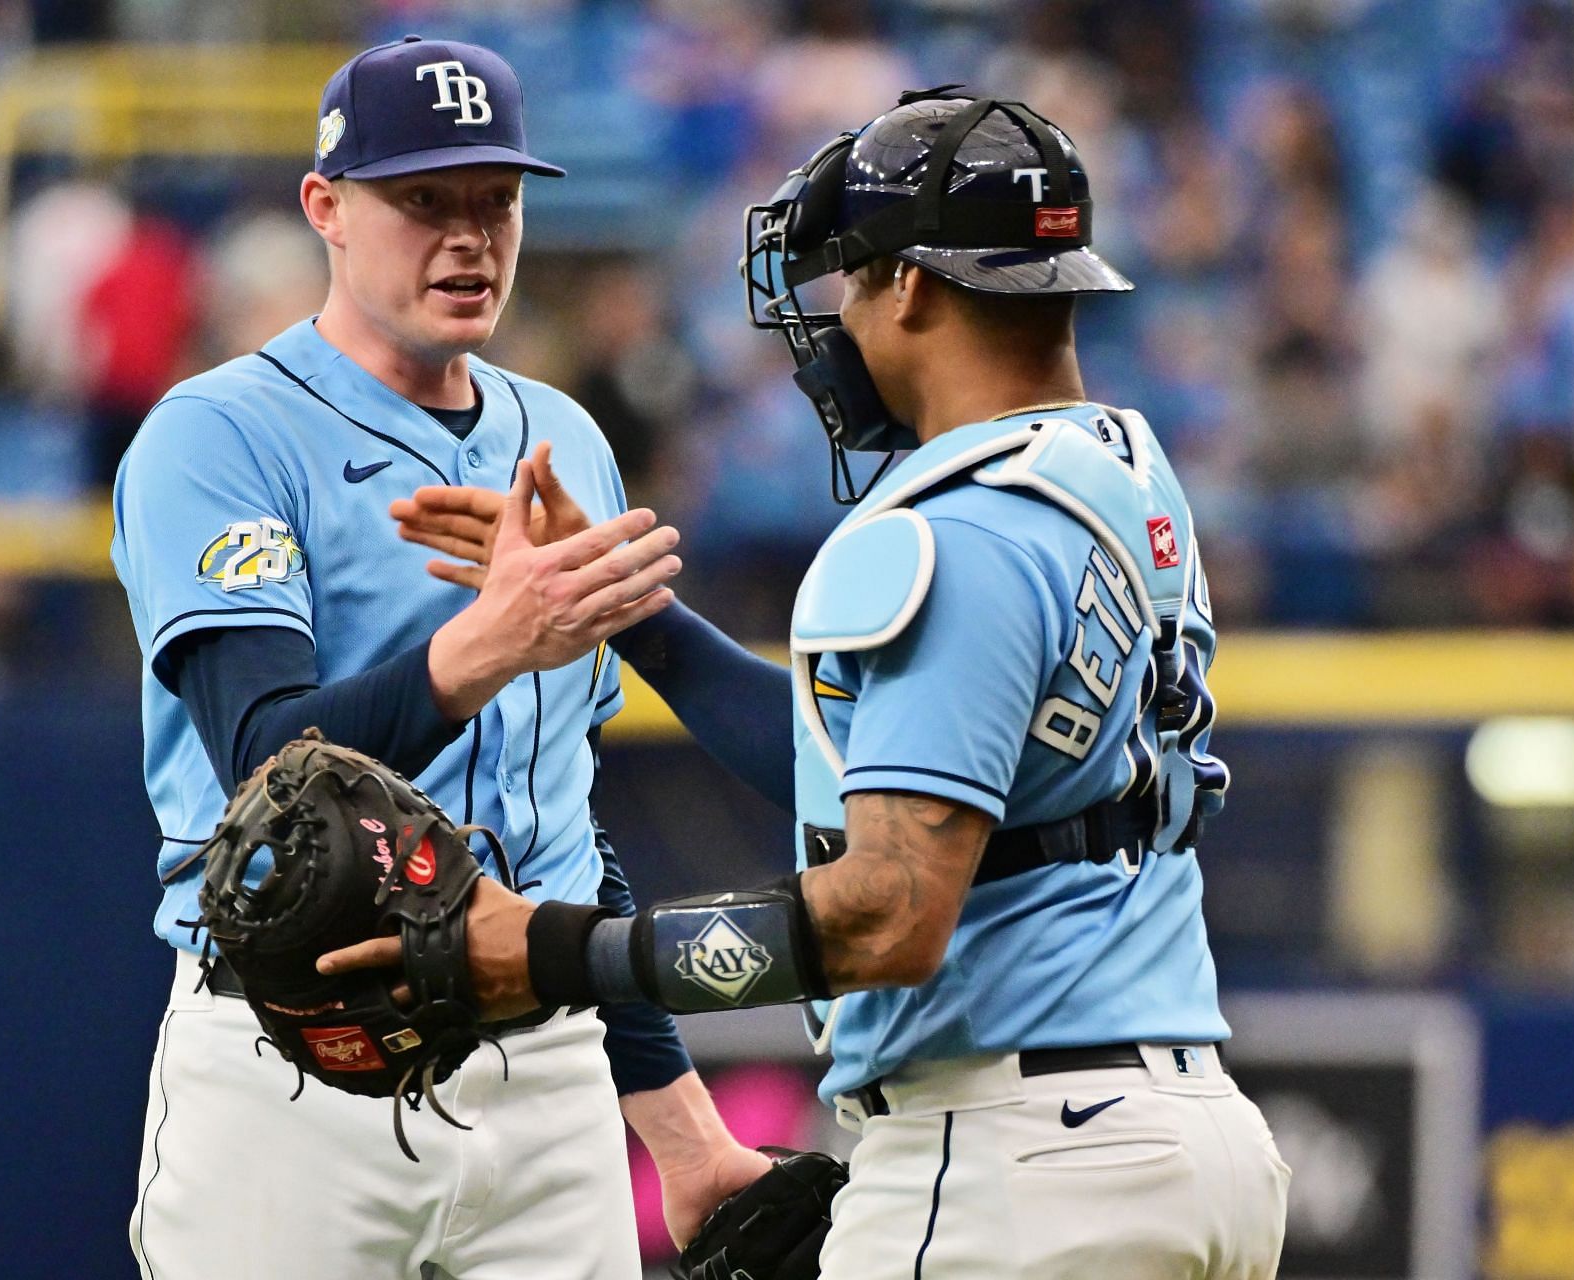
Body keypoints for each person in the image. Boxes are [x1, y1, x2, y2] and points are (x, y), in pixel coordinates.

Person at [343, 90, 1292, 1278]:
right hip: (1186, 1147)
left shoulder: (944, 532)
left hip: (1014, 1162)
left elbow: (890, 911)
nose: (834, 316)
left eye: (847, 277)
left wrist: (550, 952)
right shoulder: (1126, 474)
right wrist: (632, 617)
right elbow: (883, 775)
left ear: (911, 285)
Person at [110, 36, 769, 1280]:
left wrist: (678, 1128)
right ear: (327, 209)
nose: (469, 236)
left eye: (495, 201)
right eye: (424, 201)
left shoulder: (564, 434)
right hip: (293, 1058)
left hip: (549, 1061)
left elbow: (562, 823)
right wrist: (485, 645)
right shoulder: (216, 434)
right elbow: (265, 769)